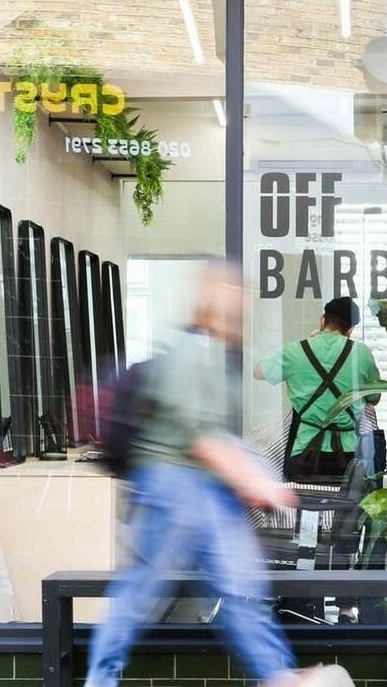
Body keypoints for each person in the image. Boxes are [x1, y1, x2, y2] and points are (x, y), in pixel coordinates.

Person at [85, 262, 301, 687]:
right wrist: (254, 481)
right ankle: (101, 680)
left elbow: (219, 436)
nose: (241, 302)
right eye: (231, 293)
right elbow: (202, 439)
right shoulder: (192, 353)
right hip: (172, 484)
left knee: (238, 587)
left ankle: (279, 676)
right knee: (145, 590)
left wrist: (252, 475)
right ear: (210, 298)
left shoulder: (219, 356)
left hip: (203, 486)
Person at [252, 297, 381, 483]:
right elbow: (374, 397)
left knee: (303, 505)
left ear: (323, 319)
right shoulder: (362, 353)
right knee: (347, 507)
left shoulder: (295, 351)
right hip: (348, 457)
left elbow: (258, 372)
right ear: (350, 329)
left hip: (304, 454)